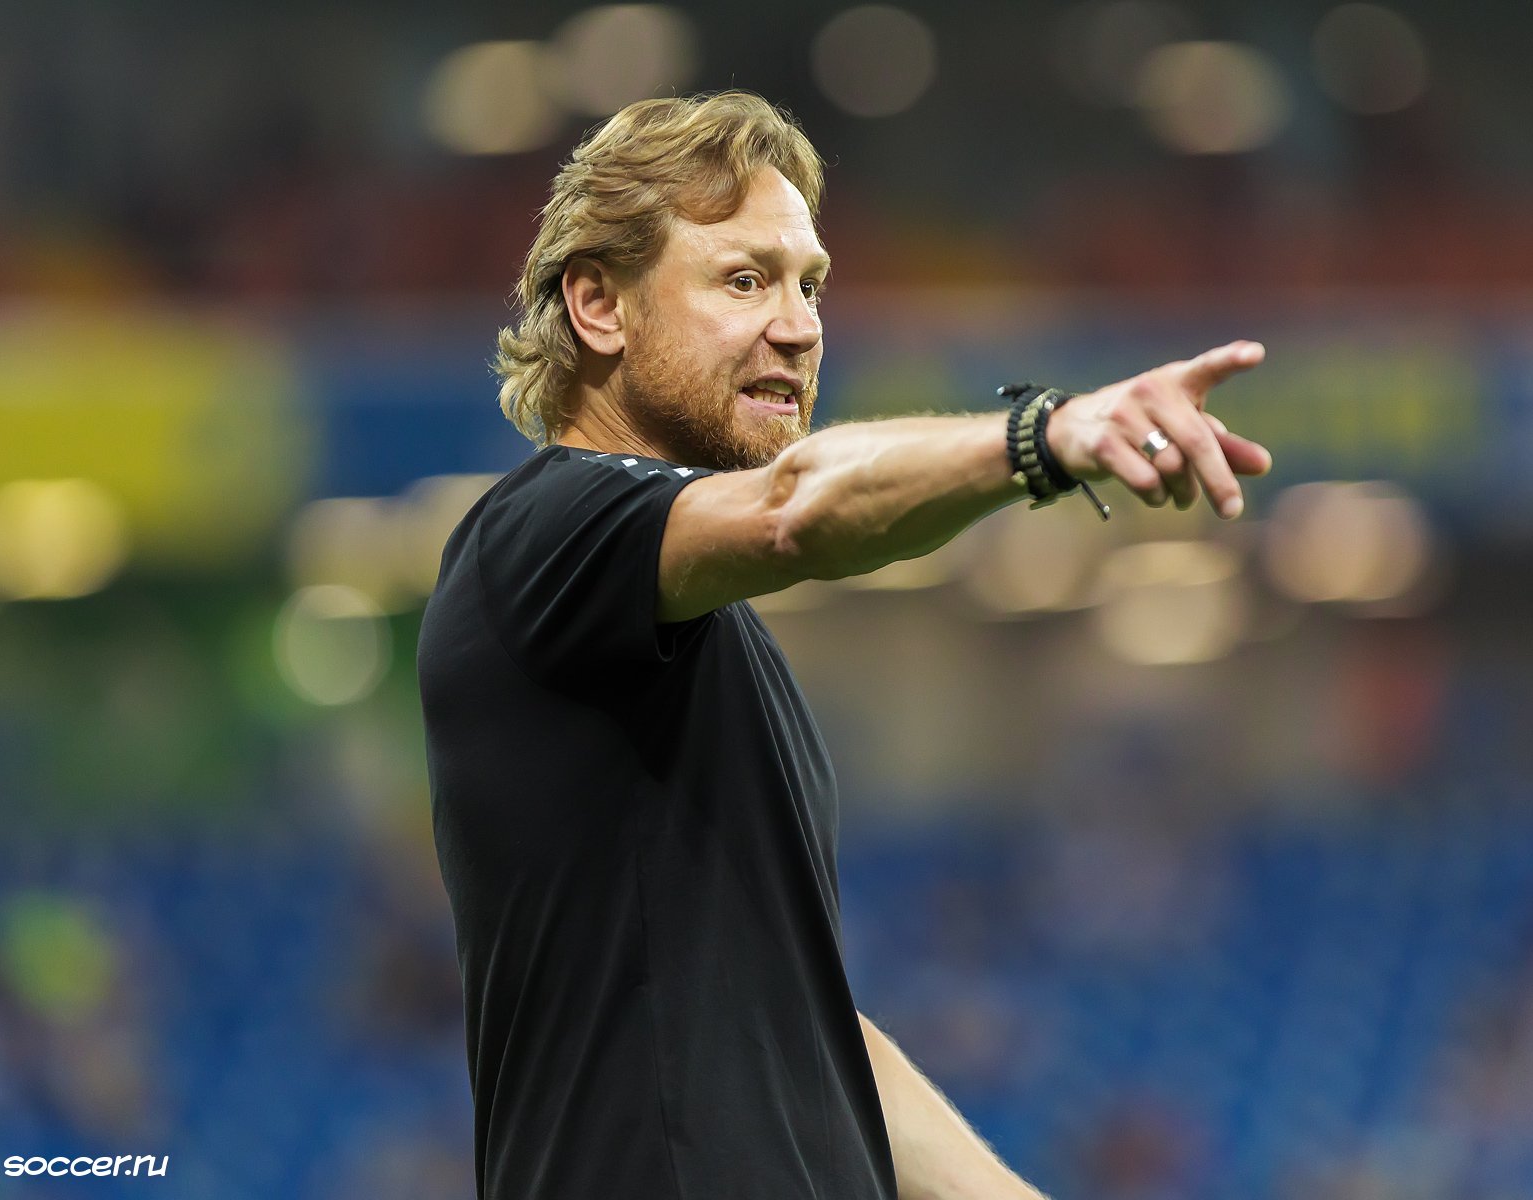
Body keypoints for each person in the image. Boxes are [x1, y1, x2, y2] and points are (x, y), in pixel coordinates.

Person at [416, 89, 1271, 1200]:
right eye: (744, 279)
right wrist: (1046, 435)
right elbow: (796, 509)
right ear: (597, 304)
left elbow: (809, 1034)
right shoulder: (543, 529)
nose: (799, 324)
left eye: (810, 284)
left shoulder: (702, 645)